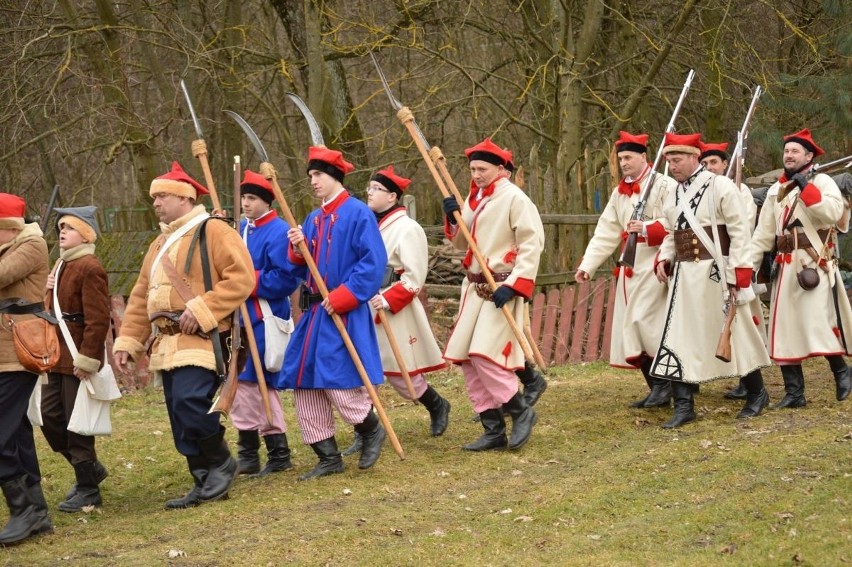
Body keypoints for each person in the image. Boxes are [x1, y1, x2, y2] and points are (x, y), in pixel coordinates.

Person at [113, 162, 255, 508]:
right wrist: (129, 340)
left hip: (203, 338)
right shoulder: (159, 243)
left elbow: (242, 278)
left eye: (162, 195)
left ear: (184, 197)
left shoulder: (215, 231)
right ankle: (203, 478)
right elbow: (140, 295)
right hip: (167, 342)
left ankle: (221, 461)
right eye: (154, 197)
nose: (156, 203)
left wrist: (203, 309)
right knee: (179, 415)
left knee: (191, 404)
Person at [650, 133, 771, 428]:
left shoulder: (720, 186)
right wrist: (664, 256)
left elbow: (740, 230)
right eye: (668, 160)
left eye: (677, 160)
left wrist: (740, 270)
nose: (672, 166)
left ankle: (757, 392)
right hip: (684, 276)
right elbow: (671, 230)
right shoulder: (674, 193)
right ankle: (684, 406)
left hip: (717, 272)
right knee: (678, 335)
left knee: (735, 333)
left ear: (694, 158)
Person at [283, 146, 388, 480]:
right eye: (311, 175)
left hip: (342, 312)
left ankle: (370, 429)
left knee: (338, 380)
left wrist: (344, 296)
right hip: (314, 314)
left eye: (319, 175)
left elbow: (373, 264)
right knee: (306, 383)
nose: (313, 181)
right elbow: (302, 265)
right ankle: (327, 456)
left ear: (335, 177)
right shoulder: (313, 218)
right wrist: (298, 246)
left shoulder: (358, 213)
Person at [442, 137, 544, 451]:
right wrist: (453, 217)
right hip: (473, 289)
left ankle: (519, 410)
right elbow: (462, 245)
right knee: (467, 360)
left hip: (501, 286)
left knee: (484, 354)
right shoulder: (474, 200)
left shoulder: (515, 199)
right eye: (473, 169)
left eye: (483, 169)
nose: (476, 174)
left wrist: (515, 284)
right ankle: (493, 428)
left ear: (502, 170)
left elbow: (532, 242)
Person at [749, 129, 852, 407]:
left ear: (808, 156)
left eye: (795, 151)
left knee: (818, 323)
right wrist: (747, 266)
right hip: (785, 266)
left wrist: (806, 186)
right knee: (783, 329)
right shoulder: (776, 190)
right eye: (787, 151)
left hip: (812, 263)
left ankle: (842, 372)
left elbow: (832, 214)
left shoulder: (823, 181)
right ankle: (795, 394)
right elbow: (763, 234)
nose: (789, 155)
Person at [575, 131, 674, 408]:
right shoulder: (620, 192)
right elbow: (606, 231)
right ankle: (656, 387)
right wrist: (588, 266)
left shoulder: (664, 185)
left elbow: (677, 222)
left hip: (656, 263)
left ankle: (668, 384)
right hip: (630, 267)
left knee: (649, 324)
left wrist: (648, 228)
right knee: (631, 326)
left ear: (644, 157)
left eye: (629, 157)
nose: (624, 163)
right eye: (621, 159)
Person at [364, 166, 451, 437]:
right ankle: (366, 430)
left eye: (376, 188)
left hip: (392, 306)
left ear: (392, 196)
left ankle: (437, 405)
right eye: (369, 187)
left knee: (400, 373)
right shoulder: (367, 224)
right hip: (363, 303)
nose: (369, 192)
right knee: (364, 370)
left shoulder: (408, 228)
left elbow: (415, 276)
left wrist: (387, 299)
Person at [41, 207, 110, 512]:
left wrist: (89, 358)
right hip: (56, 353)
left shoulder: (89, 266)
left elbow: (98, 318)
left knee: (76, 424)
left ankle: (87, 488)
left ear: (86, 233)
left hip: (77, 354)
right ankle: (90, 468)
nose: (62, 233)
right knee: (49, 417)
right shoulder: (62, 264)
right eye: (60, 229)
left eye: (69, 228)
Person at [232, 170, 300, 477]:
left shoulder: (278, 231)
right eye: (243, 197)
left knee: (258, 383)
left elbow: (285, 279)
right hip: (238, 315)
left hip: (263, 316)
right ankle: (248, 452)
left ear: (266, 201)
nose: (245, 203)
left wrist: (246, 281)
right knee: (239, 382)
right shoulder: (240, 229)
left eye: (252, 198)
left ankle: (278, 450)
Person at [0, 193, 52, 544]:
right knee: (15, 432)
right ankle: (36, 510)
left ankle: (23, 510)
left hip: (20, 352)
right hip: (4, 353)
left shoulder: (31, 245)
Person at [699, 141, 760, 400]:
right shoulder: (699, 191)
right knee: (720, 323)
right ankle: (745, 382)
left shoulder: (740, 190)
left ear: (726, 164)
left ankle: (753, 385)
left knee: (738, 325)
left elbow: (743, 225)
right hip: (709, 269)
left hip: (734, 264)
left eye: (714, 162)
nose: (709, 167)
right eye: (704, 163)